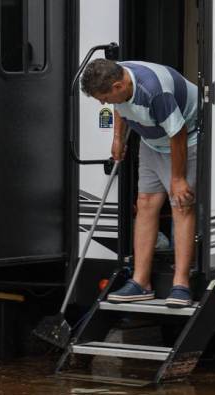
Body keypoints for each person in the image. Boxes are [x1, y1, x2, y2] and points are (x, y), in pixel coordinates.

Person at [80, 59, 199, 307]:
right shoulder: (117, 77)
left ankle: (181, 284)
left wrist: (177, 179)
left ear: (118, 85)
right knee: (145, 203)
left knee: (180, 203)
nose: (102, 103)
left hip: (186, 140)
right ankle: (141, 283)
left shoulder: (155, 92)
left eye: (103, 97)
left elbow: (178, 133)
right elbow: (120, 106)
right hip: (151, 141)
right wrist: (117, 138)